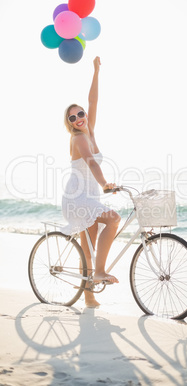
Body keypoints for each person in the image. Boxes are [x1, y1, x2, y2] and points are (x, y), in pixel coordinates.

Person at [62, 56, 121, 307]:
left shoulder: (91, 130)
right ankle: (99, 272)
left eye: (80, 114)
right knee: (114, 218)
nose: (78, 119)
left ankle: (88, 296)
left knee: (88, 246)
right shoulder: (79, 139)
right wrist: (106, 182)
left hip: (90, 197)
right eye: (73, 118)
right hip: (77, 198)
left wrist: (96, 71)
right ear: (70, 124)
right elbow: (92, 163)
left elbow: (93, 100)